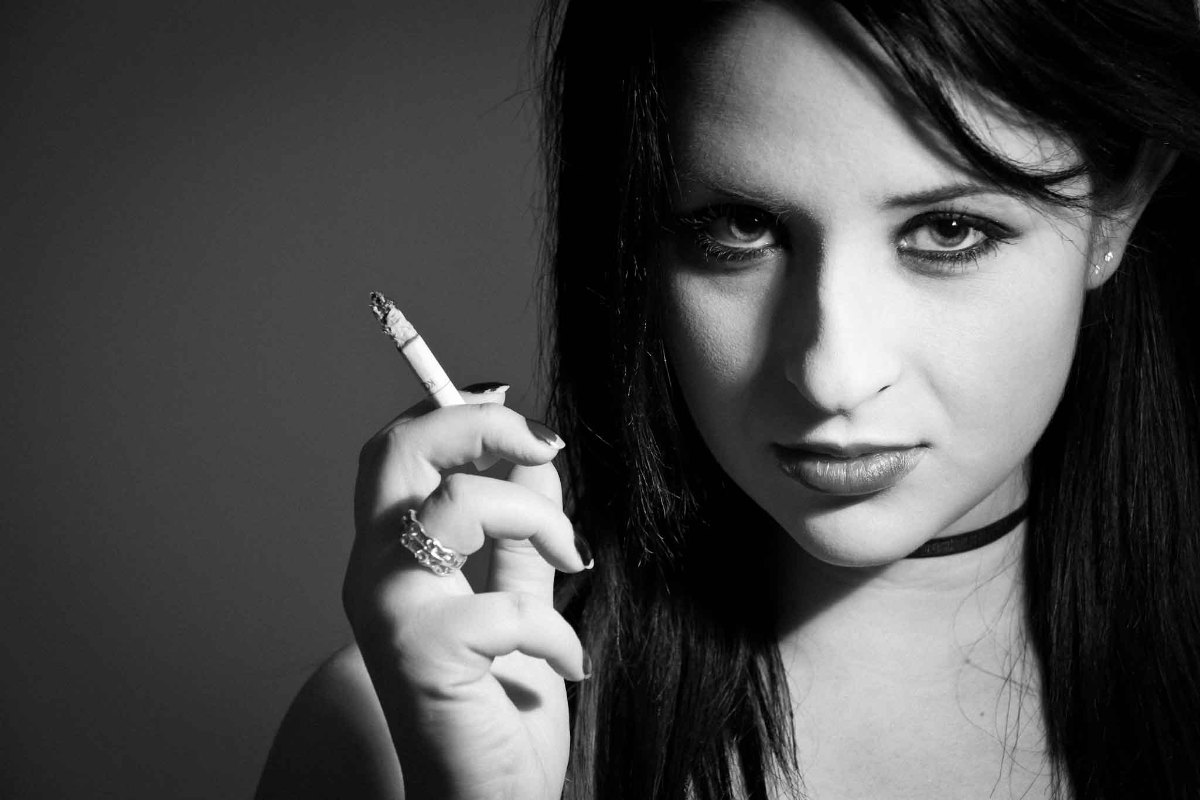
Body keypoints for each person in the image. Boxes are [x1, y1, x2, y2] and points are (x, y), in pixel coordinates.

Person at [256, 0, 1200, 797]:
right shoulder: (399, 732)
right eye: (740, 228)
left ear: (1119, 201)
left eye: (949, 230)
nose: (832, 374)